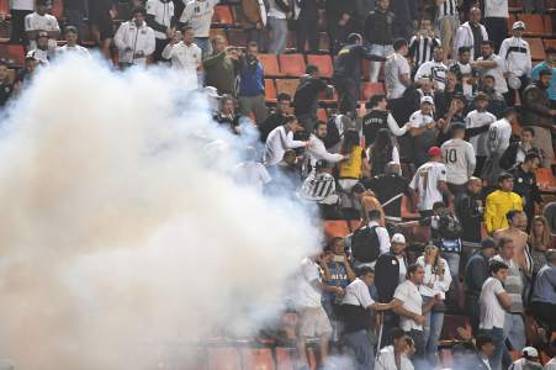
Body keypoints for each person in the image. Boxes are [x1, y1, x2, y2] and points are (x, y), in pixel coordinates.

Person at [341, 266, 397, 370]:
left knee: (356, 363)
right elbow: (371, 305)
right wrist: (391, 305)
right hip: (357, 331)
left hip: (352, 331)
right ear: (362, 276)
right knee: (367, 362)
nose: (371, 280)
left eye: (373, 277)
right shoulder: (359, 284)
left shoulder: (356, 285)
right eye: (369, 277)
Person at [393, 263, 441, 369]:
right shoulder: (404, 287)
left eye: (423, 273)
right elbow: (395, 307)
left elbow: (420, 311)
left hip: (417, 331)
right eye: (420, 273)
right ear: (411, 274)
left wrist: (432, 302)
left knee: (418, 363)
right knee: (412, 364)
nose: (423, 275)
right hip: (408, 331)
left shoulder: (415, 289)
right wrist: (414, 316)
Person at [296, 253, 334, 369]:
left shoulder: (315, 265)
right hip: (306, 304)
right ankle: (302, 363)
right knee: (303, 335)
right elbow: (315, 284)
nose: (320, 252)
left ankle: (324, 361)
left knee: (326, 332)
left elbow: (328, 278)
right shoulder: (306, 264)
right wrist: (333, 289)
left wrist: (323, 264)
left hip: (316, 304)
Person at [491, 237, 527, 360]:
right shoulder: (495, 262)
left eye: (513, 248)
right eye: (508, 248)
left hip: (517, 311)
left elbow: (520, 287)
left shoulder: (515, 264)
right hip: (503, 311)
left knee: (520, 346)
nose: (512, 251)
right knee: (497, 344)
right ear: (500, 249)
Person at [332, 33, 385, 115]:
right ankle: (351, 120)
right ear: (357, 41)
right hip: (350, 79)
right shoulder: (357, 47)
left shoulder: (342, 49)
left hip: (337, 78)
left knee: (342, 101)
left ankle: (340, 118)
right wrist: (384, 59)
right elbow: (369, 56)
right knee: (352, 102)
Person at [416, 244, 451, 365]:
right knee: (425, 333)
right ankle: (420, 363)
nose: (430, 255)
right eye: (428, 252)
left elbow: (446, 284)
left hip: (438, 298)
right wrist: (429, 263)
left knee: (435, 334)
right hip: (424, 298)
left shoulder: (443, 262)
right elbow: (423, 280)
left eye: (433, 253)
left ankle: (431, 364)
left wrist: (433, 285)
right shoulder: (420, 260)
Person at [478, 260, 512, 370]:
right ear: (493, 273)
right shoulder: (495, 282)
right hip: (494, 329)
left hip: (487, 329)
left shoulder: (486, 283)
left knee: (508, 363)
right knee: (495, 365)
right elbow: (508, 303)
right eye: (502, 272)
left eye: (506, 272)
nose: (505, 276)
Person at [522, 69, 556, 168]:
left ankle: (544, 178)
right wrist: (548, 111)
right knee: (538, 155)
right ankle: (537, 179)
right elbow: (530, 104)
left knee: (548, 155)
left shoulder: (543, 91)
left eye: (549, 79)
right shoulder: (532, 89)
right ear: (539, 77)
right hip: (535, 125)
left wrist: (551, 125)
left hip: (543, 125)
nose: (547, 81)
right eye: (545, 78)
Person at [464, 238, 498, 334]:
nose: (493, 252)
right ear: (484, 249)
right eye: (490, 249)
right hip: (475, 300)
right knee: (479, 330)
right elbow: (479, 282)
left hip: (476, 299)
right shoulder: (478, 260)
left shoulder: (480, 259)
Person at [410, 146, 451, 216]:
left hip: (422, 206)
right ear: (439, 155)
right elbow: (441, 185)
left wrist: (416, 201)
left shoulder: (421, 168)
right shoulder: (440, 166)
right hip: (435, 206)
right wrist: (450, 195)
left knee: (425, 226)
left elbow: (411, 188)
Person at [465, 92, 496, 176]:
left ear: (487, 103)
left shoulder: (492, 117)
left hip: (486, 151)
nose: (481, 103)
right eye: (479, 101)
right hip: (473, 150)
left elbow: (494, 136)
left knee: (482, 175)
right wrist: (484, 128)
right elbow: (468, 132)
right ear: (475, 103)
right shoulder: (470, 115)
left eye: (483, 101)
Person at [499, 21, 532, 99]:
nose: (519, 31)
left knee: (524, 98)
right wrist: (504, 71)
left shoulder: (525, 44)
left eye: (521, 30)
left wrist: (528, 74)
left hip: (522, 75)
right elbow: (501, 58)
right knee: (509, 98)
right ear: (513, 30)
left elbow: (528, 59)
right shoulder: (507, 42)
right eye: (517, 29)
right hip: (510, 74)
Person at [364, 0, 395, 83]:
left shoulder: (391, 16)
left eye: (387, 2)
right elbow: (366, 31)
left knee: (390, 73)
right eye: (383, 2)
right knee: (374, 73)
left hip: (390, 46)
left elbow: (395, 31)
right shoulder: (371, 15)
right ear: (378, 2)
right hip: (376, 46)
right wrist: (370, 42)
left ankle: (390, 95)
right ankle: (372, 93)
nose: (385, 4)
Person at [441, 123, 476, 195]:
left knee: (447, 202)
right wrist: (469, 175)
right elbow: (472, 163)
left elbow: (441, 162)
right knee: (459, 204)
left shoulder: (444, 145)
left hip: (446, 179)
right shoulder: (467, 145)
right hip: (461, 180)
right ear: (462, 132)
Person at [293, 65, 331, 132]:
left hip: (305, 115)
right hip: (307, 116)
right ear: (314, 73)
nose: (319, 77)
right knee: (311, 135)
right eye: (317, 74)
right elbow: (328, 90)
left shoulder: (301, 84)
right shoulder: (313, 82)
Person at [238, 42, 268, 125]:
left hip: (258, 96)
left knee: (263, 122)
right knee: (245, 124)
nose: (252, 54)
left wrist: (262, 92)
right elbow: (244, 72)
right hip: (245, 96)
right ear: (246, 51)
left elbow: (261, 79)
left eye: (254, 52)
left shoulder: (259, 64)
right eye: (250, 51)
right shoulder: (241, 62)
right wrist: (242, 58)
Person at [509, 153, 542, 226]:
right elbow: (508, 188)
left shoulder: (532, 174)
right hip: (515, 208)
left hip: (529, 208)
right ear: (529, 162)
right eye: (536, 164)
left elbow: (534, 189)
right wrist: (519, 196)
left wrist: (538, 201)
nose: (537, 167)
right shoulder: (513, 172)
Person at [407, 96, 438, 167]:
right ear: (420, 105)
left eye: (429, 104)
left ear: (432, 106)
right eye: (425, 104)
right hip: (419, 150)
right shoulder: (416, 115)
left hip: (429, 148)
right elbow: (413, 133)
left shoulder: (432, 116)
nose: (427, 107)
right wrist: (427, 127)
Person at [530, 249, 556, 332]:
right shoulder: (551, 270)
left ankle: (545, 333)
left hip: (539, 304)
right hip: (546, 304)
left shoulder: (544, 268)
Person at [455, 177, 483, 243]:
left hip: (469, 234)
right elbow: (467, 218)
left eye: (480, 186)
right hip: (468, 235)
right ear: (469, 186)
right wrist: (479, 209)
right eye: (477, 185)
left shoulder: (471, 197)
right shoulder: (465, 198)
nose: (480, 188)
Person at [385, 38, 411, 102]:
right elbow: (404, 78)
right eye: (407, 47)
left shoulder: (388, 59)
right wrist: (412, 88)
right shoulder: (402, 59)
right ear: (404, 47)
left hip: (390, 93)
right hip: (401, 93)